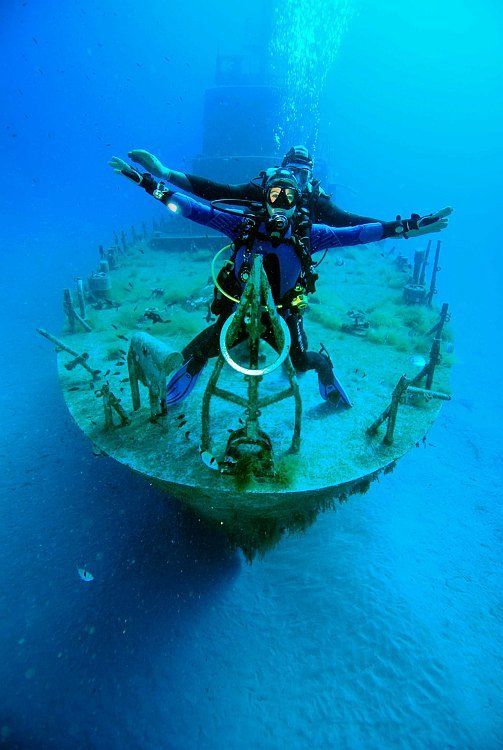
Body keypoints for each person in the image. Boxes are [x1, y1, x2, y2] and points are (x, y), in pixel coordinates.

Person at [108, 156, 452, 407]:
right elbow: (196, 210)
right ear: (265, 197)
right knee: (201, 350)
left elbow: (357, 232)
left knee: (300, 362)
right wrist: (148, 182)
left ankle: (325, 368)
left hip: (285, 312)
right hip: (241, 307)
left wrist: (405, 227)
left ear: (298, 201)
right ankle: (188, 371)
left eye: (289, 198)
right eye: (275, 196)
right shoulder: (243, 225)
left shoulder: (309, 235)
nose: (281, 205)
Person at [127, 144, 382, 227]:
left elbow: (347, 222)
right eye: (292, 172)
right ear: (281, 170)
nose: (296, 180)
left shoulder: (315, 201)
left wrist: (394, 227)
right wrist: (164, 173)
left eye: (304, 174)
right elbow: (217, 192)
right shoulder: (260, 192)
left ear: (311, 176)